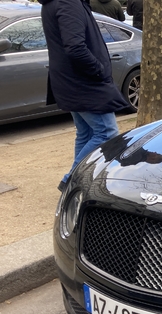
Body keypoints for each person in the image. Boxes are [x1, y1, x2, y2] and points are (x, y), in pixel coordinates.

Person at [39, 0, 129, 192]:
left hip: (71, 81)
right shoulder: (68, 3)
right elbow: (75, 48)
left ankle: (81, 179)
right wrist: (99, 69)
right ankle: (71, 180)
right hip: (83, 82)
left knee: (86, 133)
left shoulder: (56, 3)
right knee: (107, 132)